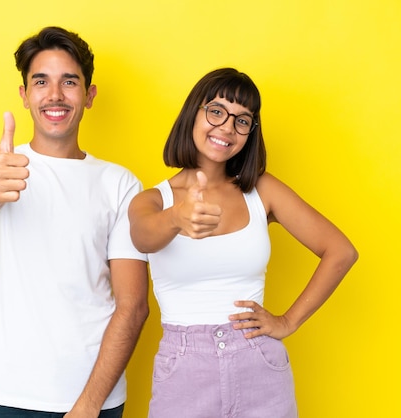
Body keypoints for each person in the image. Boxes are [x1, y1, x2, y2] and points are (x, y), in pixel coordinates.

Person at [128, 68, 358, 417]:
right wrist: (178, 217)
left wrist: (288, 322)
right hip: (184, 367)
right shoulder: (154, 200)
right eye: (216, 111)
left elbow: (341, 251)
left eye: (242, 120)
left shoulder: (261, 190)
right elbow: (141, 236)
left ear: (250, 133)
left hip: (259, 363)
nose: (227, 128)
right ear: (194, 112)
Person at [0, 26, 149, 418]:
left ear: (89, 95)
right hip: (5, 395)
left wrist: (90, 404)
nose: (55, 95)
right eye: (41, 82)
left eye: (69, 82)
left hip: (93, 399)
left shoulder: (121, 184)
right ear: (25, 96)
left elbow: (133, 306)